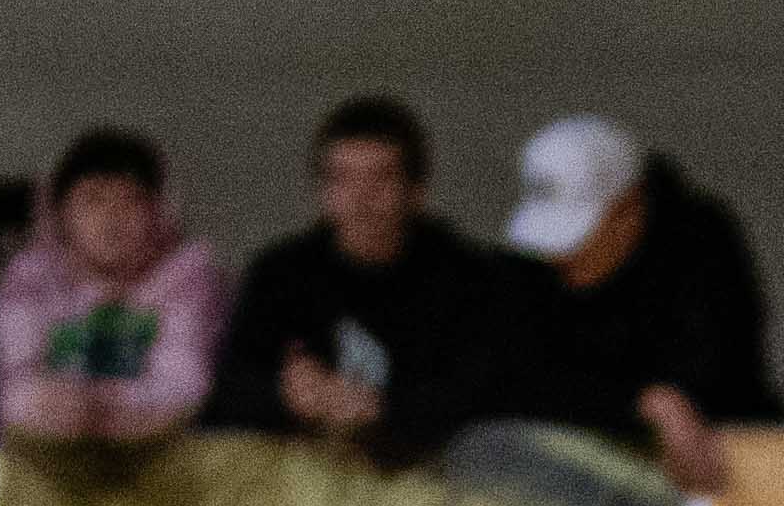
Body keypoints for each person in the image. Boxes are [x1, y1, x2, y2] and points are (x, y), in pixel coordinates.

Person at [205, 96, 551, 469]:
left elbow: (496, 391)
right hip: (306, 470)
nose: (360, 199)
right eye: (342, 180)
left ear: (416, 192)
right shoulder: (280, 273)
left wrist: (384, 407)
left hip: (432, 472)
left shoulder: (468, 276)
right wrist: (285, 395)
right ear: (322, 192)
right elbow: (227, 387)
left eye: (380, 179)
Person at [511, 113, 776, 486]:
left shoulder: (701, 247)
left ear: (629, 209)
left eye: (577, 234)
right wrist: (644, 401)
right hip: (580, 479)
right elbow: (520, 374)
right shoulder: (532, 268)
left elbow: (721, 372)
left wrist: (669, 406)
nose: (559, 256)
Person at [0, 125, 220, 441]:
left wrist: (101, 408)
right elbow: (6, 382)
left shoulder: (187, 276)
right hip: (47, 460)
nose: (112, 216)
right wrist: (52, 407)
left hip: (157, 463)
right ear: (59, 214)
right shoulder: (30, 279)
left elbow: (187, 387)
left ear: (159, 213)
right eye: (92, 200)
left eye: (131, 200)